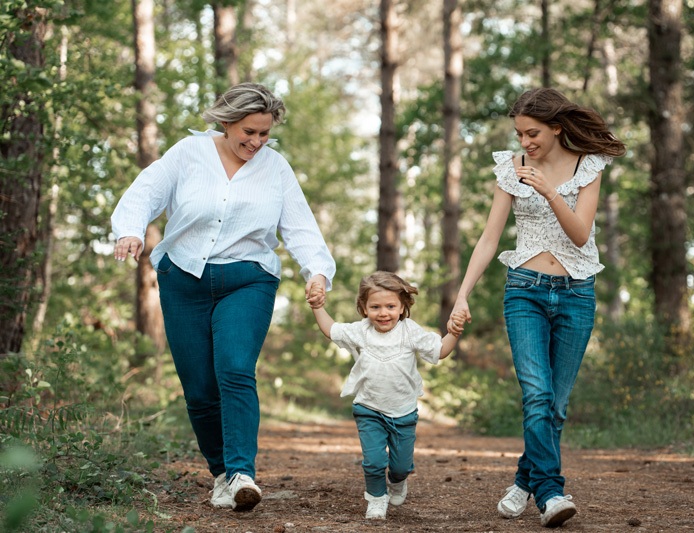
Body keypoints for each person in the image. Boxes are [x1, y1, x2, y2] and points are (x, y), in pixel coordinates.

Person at [111, 82, 336, 512]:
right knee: (198, 389)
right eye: (248, 132)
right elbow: (146, 191)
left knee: (234, 369)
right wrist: (130, 229)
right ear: (226, 121)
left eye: (264, 134)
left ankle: (242, 473)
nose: (256, 142)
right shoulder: (188, 153)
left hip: (247, 279)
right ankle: (222, 474)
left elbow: (301, 226)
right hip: (183, 279)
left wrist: (318, 272)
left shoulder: (276, 168)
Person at [446, 87, 626, 528]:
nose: (524, 142)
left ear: (556, 128)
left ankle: (524, 480)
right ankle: (550, 491)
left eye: (532, 134)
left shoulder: (588, 166)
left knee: (557, 406)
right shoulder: (512, 168)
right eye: (519, 134)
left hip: (576, 292)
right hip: (524, 288)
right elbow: (490, 237)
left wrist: (549, 191)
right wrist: (463, 293)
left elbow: (581, 234)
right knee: (537, 394)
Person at [307, 272, 467, 520]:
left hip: (403, 412)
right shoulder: (362, 331)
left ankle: (397, 480)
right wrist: (318, 306)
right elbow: (331, 330)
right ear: (363, 307)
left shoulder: (409, 331)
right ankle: (376, 499)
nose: (383, 313)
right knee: (373, 462)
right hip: (368, 409)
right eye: (375, 307)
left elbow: (441, 350)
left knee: (401, 465)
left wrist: (454, 332)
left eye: (391, 306)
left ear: (402, 306)